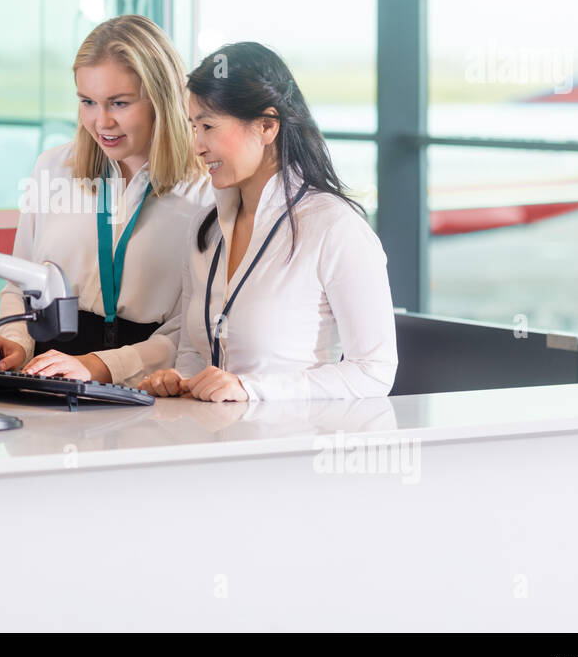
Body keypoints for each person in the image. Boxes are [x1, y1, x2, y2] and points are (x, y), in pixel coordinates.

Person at [140, 42, 397, 402]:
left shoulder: (335, 228)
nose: (197, 145)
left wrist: (253, 390)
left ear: (266, 126)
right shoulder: (206, 232)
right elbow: (194, 355)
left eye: (208, 126)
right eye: (193, 126)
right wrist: (179, 380)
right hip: (206, 443)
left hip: (288, 448)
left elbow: (374, 371)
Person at [0, 15, 212, 386]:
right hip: (48, 373)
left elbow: (189, 332)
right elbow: (20, 283)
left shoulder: (204, 193)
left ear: (161, 99)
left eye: (119, 103)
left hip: (144, 386)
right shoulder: (53, 168)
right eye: (88, 102)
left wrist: (99, 365)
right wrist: (16, 342)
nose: (101, 122)